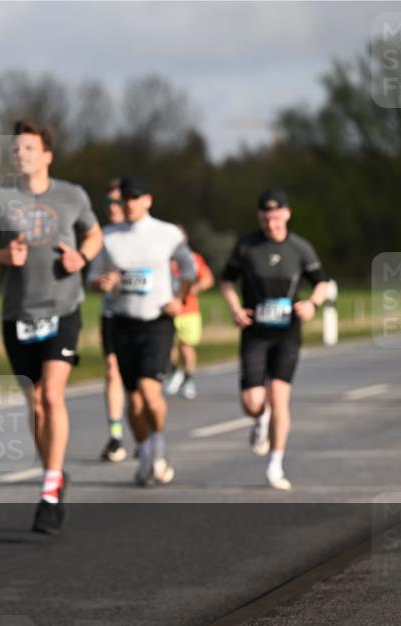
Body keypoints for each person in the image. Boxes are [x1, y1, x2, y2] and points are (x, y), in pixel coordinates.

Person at [0, 120, 102, 534]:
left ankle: (48, 491)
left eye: (28, 148)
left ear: (47, 155)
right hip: (18, 314)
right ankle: (54, 473)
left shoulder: (72, 194)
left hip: (63, 308)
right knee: (36, 405)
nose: (20, 154)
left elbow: (94, 236)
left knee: (51, 394)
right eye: (16, 149)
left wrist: (82, 257)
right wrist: (1, 256)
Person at [88, 177, 195, 487]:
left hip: (157, 321)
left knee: (150, 392)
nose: (129, 204)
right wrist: (101, 283)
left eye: (135, 198)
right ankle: (146, 448)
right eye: (124, 199)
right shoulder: (109, 237)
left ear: (147, 200)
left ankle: (158, 441)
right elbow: (92, 278)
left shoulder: (167, 233)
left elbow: (189, 270)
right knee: (133, 402)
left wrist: (179, 298)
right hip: (123, 322)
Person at [219, 188, 329, 491]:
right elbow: (227, 281)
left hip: (287, 334)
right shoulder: (247, 246)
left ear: (287, 214)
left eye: (277, 217)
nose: (271, 223)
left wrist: (312, 304)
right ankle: (260, 417)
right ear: (260, 217)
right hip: (255, 334)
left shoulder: (300, 248)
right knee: (252, 402)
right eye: (266, 218)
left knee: (280, 397)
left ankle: (275, 465)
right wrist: (235, 309)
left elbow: (321, 282)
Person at [96, 178, 129, 462]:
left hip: (145, 317)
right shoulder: (102, 236)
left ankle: (146, 433)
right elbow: (92, 276)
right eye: (109, 202)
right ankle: (116, 436)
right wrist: (100, 282)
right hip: (112, 313)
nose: (113, 207)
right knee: (112, 369)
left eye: (118, 201)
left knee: (141, 381)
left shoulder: (145, 233)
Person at [163, 225, 214, 400]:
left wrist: (194, 288)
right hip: (167, 309)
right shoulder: (163, 257)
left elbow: (207, 279)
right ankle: (174, 372)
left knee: (186, 346)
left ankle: (188, 379)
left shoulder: (193, 258)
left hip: (189, 310)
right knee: (166, 347)